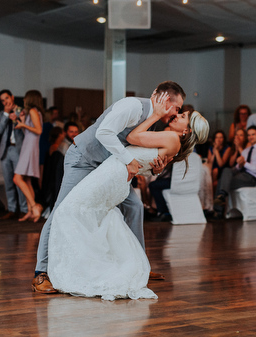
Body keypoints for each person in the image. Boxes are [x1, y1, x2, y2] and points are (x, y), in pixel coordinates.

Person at [46, 93, 209, 300]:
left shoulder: (171, 138)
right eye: (179, 111)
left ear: (186, 131)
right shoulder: (170, 139)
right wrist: (155, 169)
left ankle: (83, 268)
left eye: (182, 116)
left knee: (69, 210)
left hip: (114, 172)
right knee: (91, 214)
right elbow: (146, 161)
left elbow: (132, 138)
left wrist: (155, 116)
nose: (177, 115)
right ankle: (99, 264)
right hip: (117, 172)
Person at [213, 125, 256, 217]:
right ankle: (221, 197)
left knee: (223, 180)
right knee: (226, 171)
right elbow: (236, 168)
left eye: (253, 134)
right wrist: (239, 165)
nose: (251, 137)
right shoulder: (246, 150)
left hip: (251, 178)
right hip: (241, 174)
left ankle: (218, 209)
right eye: (249, 135)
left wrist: (245, 164)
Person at [13, 90, 45, 222]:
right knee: (26, 180)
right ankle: (31, 211)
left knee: (17, 178)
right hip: (29, 144)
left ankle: (34, 206)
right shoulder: (34, 112)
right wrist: (21, 121)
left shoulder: (32, 111)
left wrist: (23, 124)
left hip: (30, 146)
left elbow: (38, 130)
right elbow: (30, 129)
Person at [0, 89, 27, 219]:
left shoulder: (22, 111)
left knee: (19, 180)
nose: (5, 102)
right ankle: (11, 208)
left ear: (12, 97)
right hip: (5, 150)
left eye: (6, 98)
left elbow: (26, 130)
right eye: (2, 100)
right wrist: (6, 114)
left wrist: (16, 118)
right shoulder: (0, 114)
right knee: (8, 181)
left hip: (17, 149)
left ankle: (24, 209)